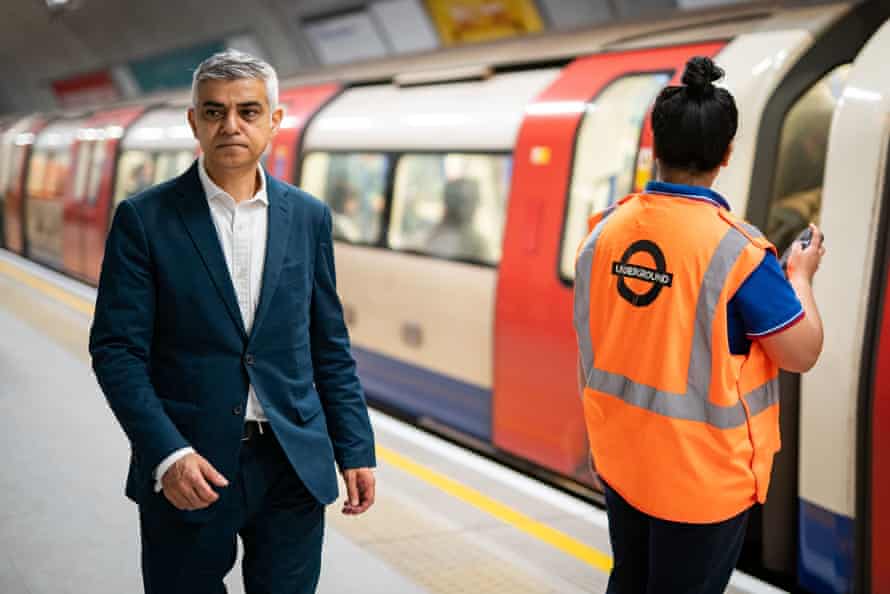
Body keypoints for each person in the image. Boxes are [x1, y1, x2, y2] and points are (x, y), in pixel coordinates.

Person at [89, 50, 376, 594]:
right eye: (215, 112)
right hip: (190, 466)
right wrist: (167, 454)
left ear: (274, 120)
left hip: (292, 461)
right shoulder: (145, 219)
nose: (232, 125)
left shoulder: (309, 216)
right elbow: (116, 351)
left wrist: (355, 446)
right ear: (194, 121)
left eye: (248, 110)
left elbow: (327, 343)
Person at [573, 56, 825, 594]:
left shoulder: (603, 234)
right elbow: (800, 352)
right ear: (726, 154)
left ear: (654, 149)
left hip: (622, 461)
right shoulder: (740, 251)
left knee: (630, 580)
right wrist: (799, 276)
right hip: (701, 483)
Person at [425, 177, 489, 262]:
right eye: (467, 201)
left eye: (475, 200)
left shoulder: (429, 235)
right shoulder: (478, 244)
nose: (474, 206)